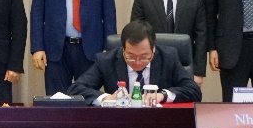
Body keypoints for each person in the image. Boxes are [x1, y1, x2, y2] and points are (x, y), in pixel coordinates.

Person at [67, 20, 201, 105]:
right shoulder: (106, 61)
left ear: (153, 49)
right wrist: (107, 98)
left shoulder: (168, 57)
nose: (137, 62)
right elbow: (75, 89)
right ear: (123, 49)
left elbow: (193, 90)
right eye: (130, 56)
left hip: (159, 122)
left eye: (144, 56)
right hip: (120, 124)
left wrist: (163, 96)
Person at [129, 0, 208, 86]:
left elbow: (201, 37)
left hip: (184, 65)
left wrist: (199, 72)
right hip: (151, 64)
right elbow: (136, 33)